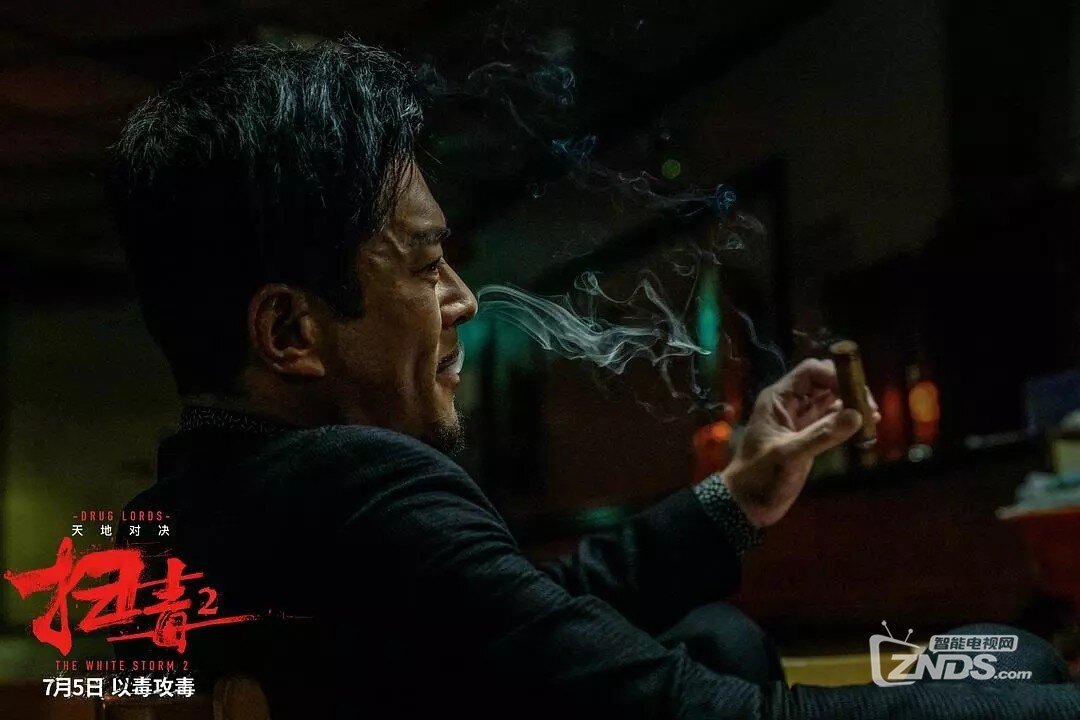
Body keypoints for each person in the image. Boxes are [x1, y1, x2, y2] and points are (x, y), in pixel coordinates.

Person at [105, 40, 1080, 719]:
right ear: (289, 330)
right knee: (1018, 661)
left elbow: (525, 611)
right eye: (425, 265)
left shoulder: (169, 516)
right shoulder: (359, 487)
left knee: (714, 634)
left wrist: (740, 493)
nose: (463, 300)